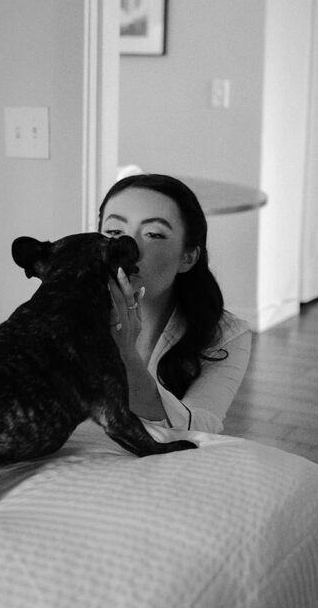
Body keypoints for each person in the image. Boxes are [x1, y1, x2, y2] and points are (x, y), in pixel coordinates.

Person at [99, 173, 251, 436]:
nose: (126, 248)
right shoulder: (63, 316)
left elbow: (199, 430)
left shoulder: (226, 335)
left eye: (154, 234)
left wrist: (126, 355)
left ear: (187, 257)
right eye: (114, 232)